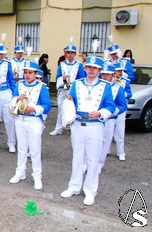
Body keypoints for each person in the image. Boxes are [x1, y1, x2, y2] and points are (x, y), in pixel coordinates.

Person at [60, 56, 115, 206]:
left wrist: (100, 113)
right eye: (89, 67)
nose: (91, 70)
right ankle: (74, 186)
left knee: (92, 159)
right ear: (85, 68)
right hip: (78, 124)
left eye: (95, 68)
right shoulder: (76, 84)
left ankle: (90, 191)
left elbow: (111, 106)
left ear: (99, 71)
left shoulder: (106, 86)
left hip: (95, 126)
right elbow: (71, 102)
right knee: (77, 157)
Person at [9, 60, 51, 190]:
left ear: (36, 73)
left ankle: (37, 176)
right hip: (21, 119)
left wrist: (33, 109)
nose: (27, 75)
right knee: (21, 148)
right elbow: (12, 102)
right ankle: (20, 172)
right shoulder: (19, 85)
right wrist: (17, 99)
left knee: (34, 150)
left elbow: (47, 106)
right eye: (25, 73)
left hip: (34, 121)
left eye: (30, 73)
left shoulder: (42, 87)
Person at [50, 44, 86, 136]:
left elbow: (82, 79)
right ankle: (59, 128)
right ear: (66, 54)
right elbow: (57, 76)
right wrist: (62, 78)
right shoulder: (61, 64)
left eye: (72, 53)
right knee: (61, 109)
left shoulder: (79, 65)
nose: (70, 55)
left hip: (74, 90)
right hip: (63, 89)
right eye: (68, 53)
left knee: (74, 109)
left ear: (75, 54)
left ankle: (73, 128)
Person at [99, 63, 127, 173]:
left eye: (108, 74)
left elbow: (122, 105)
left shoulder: (118, 88)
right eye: (103, 74)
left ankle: (100, 163)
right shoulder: (97, 86)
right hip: (96, 118)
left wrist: (115, 111)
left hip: (110, 118)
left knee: (108, 140)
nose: (105, 76)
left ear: (113, 75)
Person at [111, 62, 132, 161]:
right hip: (110, 108)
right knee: (107, 132)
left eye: (121, 71)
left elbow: (129, 94)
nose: (120, 73)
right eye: (118, 71)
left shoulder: (125, 81)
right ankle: (106, 150)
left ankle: (121, 152)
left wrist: (122, 92)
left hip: (120, 109)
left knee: (119, 132)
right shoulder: (108, 80)